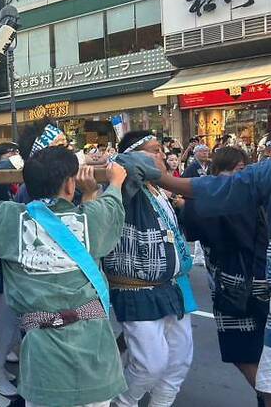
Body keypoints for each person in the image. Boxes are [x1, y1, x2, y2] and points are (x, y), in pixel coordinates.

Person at [0, 146, 128, 406]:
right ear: (70, 184)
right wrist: (114, 182)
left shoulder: (9, 219)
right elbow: (111, 203)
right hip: (94, 350)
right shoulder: (91, 217)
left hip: (43, 353)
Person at [104, 131, 196, 407]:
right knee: (149, 365)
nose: (162, 155)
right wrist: (136, 160)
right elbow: (127, 164)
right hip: (136, 288)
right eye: (154, 149)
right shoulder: (124, 185)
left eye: (161, 150)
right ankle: (123, 403)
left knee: (180, 359)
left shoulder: (157, 188)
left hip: (173, 285)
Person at [180, 147, 270, 407]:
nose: (234, 178)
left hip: (239, 287)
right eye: (232, 171)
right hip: (251, 284)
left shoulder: (218, 203)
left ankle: (265, 395)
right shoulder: (253, 195)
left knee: (245, 351)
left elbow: (192, 231)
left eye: (241, 171)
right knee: (253, 350)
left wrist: (187, 206)